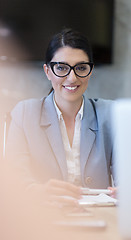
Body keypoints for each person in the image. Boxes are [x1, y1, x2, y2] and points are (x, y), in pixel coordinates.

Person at [6, 29, 117, 209]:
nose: (72, 78)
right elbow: (14, 181)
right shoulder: (25, 113)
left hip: (99, 217)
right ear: (48, 71)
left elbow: (128, 178)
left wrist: (127, 190)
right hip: (43, 217)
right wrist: (37, 191)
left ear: (91, 70)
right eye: (61, 68)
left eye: (81, 67)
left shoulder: (110, 113)